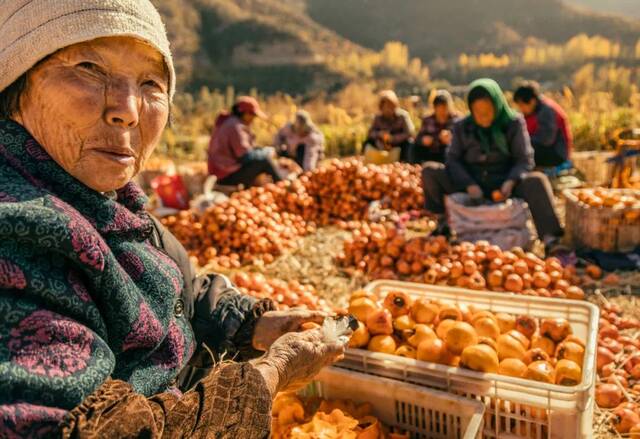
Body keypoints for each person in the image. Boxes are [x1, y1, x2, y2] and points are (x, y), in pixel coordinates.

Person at [0, 1, 347, 437]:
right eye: (88, 67)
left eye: (151, 82)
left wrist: (249, 325)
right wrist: (270, 374)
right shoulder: (18, 235)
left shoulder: (106, 200)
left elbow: (172, 290)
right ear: (15, 85)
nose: (127, 109)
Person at [421, 78, 563, 249]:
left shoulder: (513, 123)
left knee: (537, 181)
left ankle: (550, 238)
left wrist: (510, 182)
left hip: (503, 181)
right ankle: (443, 224)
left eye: (487, 111)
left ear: (497, 105)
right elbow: (453, 160)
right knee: (430, 171)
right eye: (477, 112)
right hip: (471, 181)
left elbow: (524, 159)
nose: (483, 117)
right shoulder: (462, 127)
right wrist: (469, 184)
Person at [208, 96, 287, 186]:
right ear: (244, 113)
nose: (253, 119)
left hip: (221, 172)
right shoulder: (234, 126)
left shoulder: (229, 122)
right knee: (264, 160)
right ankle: (283, 186)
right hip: (225, 175)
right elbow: (245, 156)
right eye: (252, 115)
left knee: (261, 158)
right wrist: (266, 152)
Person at [513, 81, 573, 168]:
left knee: (521, 150)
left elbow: (546, 140)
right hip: (547, 150)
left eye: (522, 105)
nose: (521, 109)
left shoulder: (546, 111)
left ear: (532, 101)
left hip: (557, 153)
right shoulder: (535, 110)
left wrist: (521, 139)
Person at [364, 90, 415, 162]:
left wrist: (393, 138)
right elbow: (370, 133)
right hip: (381, 146)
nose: (388, 109)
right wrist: (380, 134)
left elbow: (409, 132)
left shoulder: (403, 116)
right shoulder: (377, 118)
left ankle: (405, 162)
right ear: (381, 107)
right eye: (385, 107)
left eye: (390, 106)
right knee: (368, 142)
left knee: (410, 143)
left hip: (399, 145)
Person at [412, 90, 461, 164]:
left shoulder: (456, 120)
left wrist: (451, 139)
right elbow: (418, 138)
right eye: (439, 108)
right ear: (434, 108)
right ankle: (416, 165)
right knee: (413, 146)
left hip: (447, 154)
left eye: (444, 108)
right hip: (430, 152)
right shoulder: (427, 120)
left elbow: (464, 140)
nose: (442, 112)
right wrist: (423, 140)